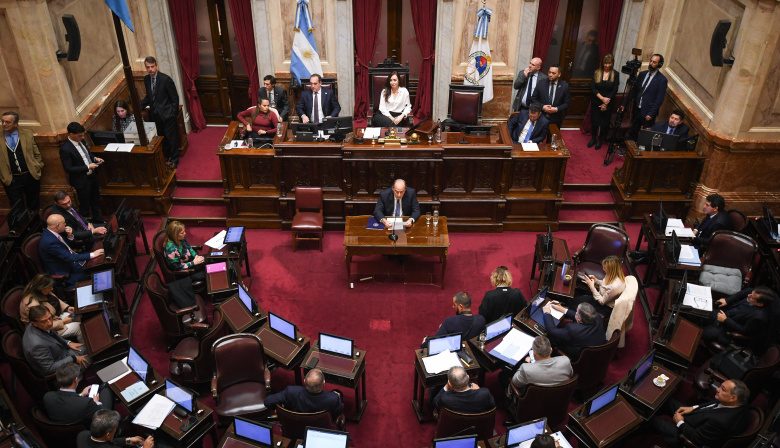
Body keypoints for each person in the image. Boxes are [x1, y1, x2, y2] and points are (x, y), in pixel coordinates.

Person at [649, 379, 749, 448]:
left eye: (722, 389)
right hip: (699, 417)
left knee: (654, 421)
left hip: (687, 434)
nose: (717, 389)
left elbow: (696, 438)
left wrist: (680, 422)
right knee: (667, 402)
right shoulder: (736, 402)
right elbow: (711, 404)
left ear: (733, 398)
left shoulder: (721, 422)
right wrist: (693, 407)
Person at [23, 306, 90, 376]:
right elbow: (49, 368)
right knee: (91, 358)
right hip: (60, 370)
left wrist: (68, 343)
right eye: (44, 321)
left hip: (62, 353)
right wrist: (73, 358)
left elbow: (52, 333)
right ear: (34, 323)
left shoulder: (39, 324)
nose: (49, 323)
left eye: (50, 318)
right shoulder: (36, 345)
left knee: (90, 348)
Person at [39, 214, 104, 287]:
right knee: (97, 273)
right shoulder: (50, 242)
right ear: (57, 226)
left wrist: (70, 236)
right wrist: (92, 254)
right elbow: (68, 257)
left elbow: (69, 247)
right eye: (64, 223)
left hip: (73, 261)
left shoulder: (54, 232)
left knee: (99, 264)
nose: (65, 224)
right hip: (67, 273)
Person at [702, 286, 775, 351]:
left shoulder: (758, 317)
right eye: (751, 293)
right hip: (725, 314)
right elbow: (744, 292)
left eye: (752, 297)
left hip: (726, 329)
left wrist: (725, 320)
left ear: (760, 304)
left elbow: (744, 331)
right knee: (700, 313)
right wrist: (727, 300)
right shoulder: (753, 293)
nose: (748, 296)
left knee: (701, 333)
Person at [60, 122, 104, 222]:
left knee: (95, 199)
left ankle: (98, 219)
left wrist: (95, 158)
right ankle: (86, 224)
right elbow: (68, 168)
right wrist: (87, 166)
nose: (83, 137)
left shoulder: (82, 142)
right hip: (81, 180)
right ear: (71, 135)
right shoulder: (65, 149)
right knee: (85, 203)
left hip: (92, 176)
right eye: (80, 135)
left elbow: (87, 154)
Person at [44, 362, 114, 426]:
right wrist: (96, 402)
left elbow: (68, 401)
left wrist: (81, 395)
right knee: (105, 387)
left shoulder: (48, 397)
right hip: (91, 427)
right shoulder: (86, 403)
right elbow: (105, 416)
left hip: (63, 428)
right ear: (76, 380)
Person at [140, 56, 180, 168]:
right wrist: (140, 106)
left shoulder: (166, 79)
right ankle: (167, 156)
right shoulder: (146, 79)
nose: (150, 69)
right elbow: (149, 95)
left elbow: (175, 98)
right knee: (161, 136)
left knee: (171, 137)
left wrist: (173, 113)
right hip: (155, 114)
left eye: (152, 67)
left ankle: (175, 159)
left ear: (156, 66)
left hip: (167, 114)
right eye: (148, 67)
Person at [1, 111, 43, 212]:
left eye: (7, 122)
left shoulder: (27, 134)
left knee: (34, 205)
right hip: (11, 179)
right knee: (17, 209)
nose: (4, 124)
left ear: (16, 123)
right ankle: (21, 227)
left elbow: (36, 153)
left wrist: (38, 165)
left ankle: (36, 226)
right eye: (2, 121)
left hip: (30, 175)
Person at [619, 54, 668, 141]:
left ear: (659, 65)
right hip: (637, 109)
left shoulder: (662, 80)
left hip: (648, 113)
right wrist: (624, 103)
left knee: (644, 136)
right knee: (633, 131)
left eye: (654, 62)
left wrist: (651, 114)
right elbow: (633, 91)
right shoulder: (642, 74)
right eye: (651, 61)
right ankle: (629, 150)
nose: (651, 63)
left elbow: (659, 99)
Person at [20, 274, 81, 341]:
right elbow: (43, 326)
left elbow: (56, 299)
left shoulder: (41, 291)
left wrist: (67, 308)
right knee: (80, 327)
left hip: (53, 318)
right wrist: (63, 322)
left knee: (80, 316)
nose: (52, 289)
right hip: (46, 331)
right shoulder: (33, 306)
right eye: (49, 287)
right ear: (41, 287)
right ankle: (84, 349)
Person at [265, 369, 344, 420]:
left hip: (295, 426)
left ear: (304, 381)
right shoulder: (333, 398)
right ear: (324, 384)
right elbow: (338, 411)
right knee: (337, 391)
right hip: (320, 427)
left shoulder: (291, 392)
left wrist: (280, 409)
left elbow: (268, 401)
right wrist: (337, 395)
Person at [542, 302, 606, 360]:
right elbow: (581, 316)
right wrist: (562, 309)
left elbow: (552, 331)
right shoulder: (597, 316)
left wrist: (547, 313)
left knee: (552, 340)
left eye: (576, 312)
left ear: (579, 319)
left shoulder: (573, 329)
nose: (575, 312)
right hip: (598, 350)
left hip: (579, 356)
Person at [508, 336, 573, 393]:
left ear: (534, 354)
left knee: (502, 376)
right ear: (551, 350)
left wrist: (526, 362)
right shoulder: (565, 360)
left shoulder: (526, 369)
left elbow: (515, 382)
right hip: (559, 397)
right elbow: (570, 375)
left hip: (536, 401)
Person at [569, 255, 626, 320]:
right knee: (573, 301)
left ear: (611, 269)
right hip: (599, 296)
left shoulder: (615, 287)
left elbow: (602, 302)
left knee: (573, 305)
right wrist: (596, 280)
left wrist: (592, 287)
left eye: (605, 268)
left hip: (603, 307)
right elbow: (604, 285)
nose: (603, 269)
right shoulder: (612, 274)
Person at [587, 54, 620, 149]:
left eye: (609, 63)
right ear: (602, 63)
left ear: (612, 63)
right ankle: (593, 138)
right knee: (594, 122)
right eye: (605, 63)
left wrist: (605, 102)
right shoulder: (597, 72)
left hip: (608, 103)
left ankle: (600, 139)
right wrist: (601, 98)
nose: (607, 65)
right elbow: (593, 87)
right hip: (596, 101)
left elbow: (614, 89)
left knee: (604, 123)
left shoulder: (615, 74)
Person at [77, 410, 154, 448]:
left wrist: (127, 440)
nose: (115, 431)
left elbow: (105, 441)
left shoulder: (82, 435)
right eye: (115, 430)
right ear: (108, 434)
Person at [531, 65, 571, 132]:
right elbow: (533, 99)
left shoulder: (564, 86)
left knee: (552, 138)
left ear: (559, 74)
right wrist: (542, 107)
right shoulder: (541, 83)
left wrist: (556, 109)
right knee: (538, 138)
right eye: (549, 72)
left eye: (553, 73)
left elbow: (566, 104)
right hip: (541, 116)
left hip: (556, 118)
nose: (550, 75)